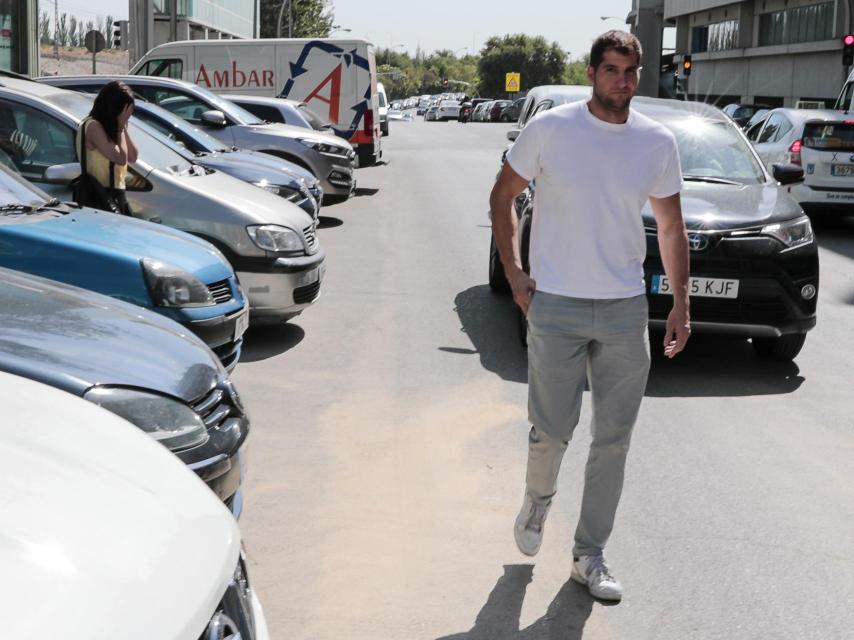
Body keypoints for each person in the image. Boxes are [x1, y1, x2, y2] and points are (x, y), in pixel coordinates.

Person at [488, 30, 691, 602]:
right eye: (610, 70)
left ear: (639, 75)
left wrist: (680, 303)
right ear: (592, 73)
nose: (621, 81)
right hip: (556, 304)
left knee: (614, 439)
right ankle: (538, 501)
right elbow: (502, 195)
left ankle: (588, 553)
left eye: (630, 71)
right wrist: (515, 271)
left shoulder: (656, 142)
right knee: (552, 432)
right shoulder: (551, 129)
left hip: (626, 308)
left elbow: (672, 228)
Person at [76, 80, 138, 215]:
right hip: (99, 196)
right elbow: (120, 158)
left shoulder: (112, 127)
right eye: (125, 111)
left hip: (116, 195)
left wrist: (123, 125)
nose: (128, 115)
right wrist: (120, 127)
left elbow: (132, 156)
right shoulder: (92, 126)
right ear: (114, 108)